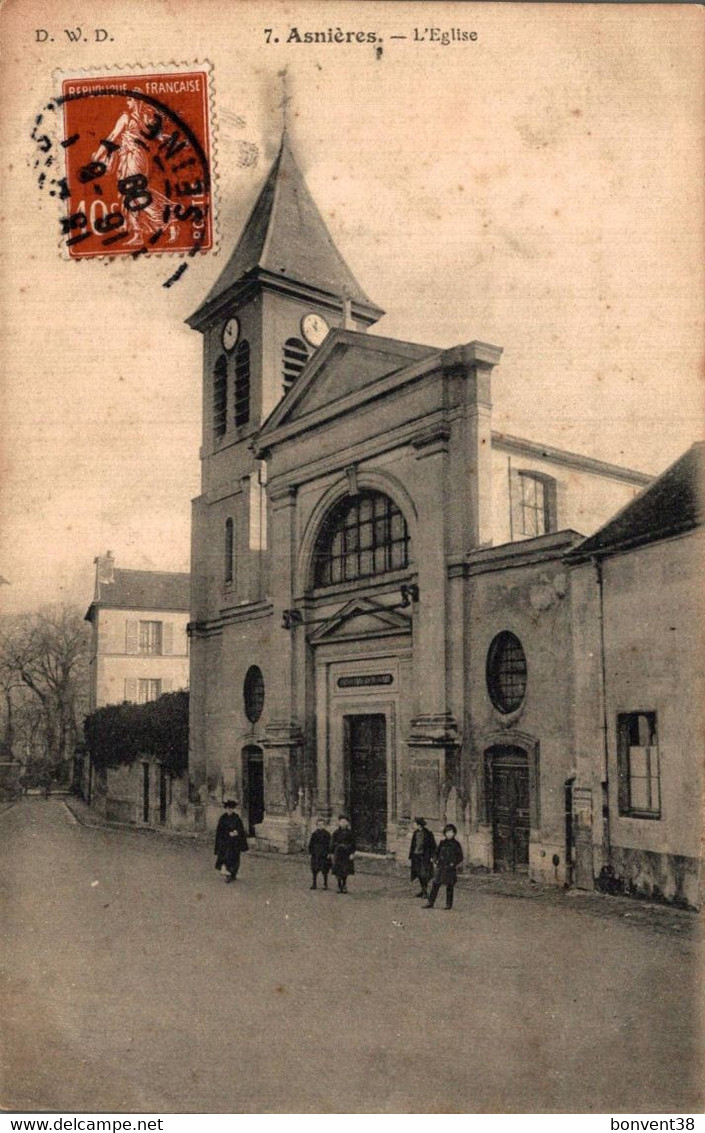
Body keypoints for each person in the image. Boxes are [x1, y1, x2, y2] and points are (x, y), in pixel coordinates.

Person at [424, 823, 463, 910]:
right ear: (445, 833)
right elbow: (436, 853)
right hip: (441, 867)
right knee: (435, 884)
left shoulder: (456, 844)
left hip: (450, 868)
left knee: (449, 886)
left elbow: (460, 857)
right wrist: (435, 860)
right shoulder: (442, 843)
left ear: (454, 833)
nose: (449, 834)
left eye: (451, 832)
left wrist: (454, 863)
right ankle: (430, 902)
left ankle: (448, 904)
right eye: (447, 832)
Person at [214, 799, 249, 883]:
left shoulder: (236, 818)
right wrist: (227, 834)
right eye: (228, 808)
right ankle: (228, 875)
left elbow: (240, 829)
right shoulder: (222, 818)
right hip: (225, 843)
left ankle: (233, 874)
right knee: (226, 858)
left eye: (231, 808)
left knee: (235, 858)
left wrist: (236, 832)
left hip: (235, 843)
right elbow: (220, 831)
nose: (230, 810)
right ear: (226, 809)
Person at [408, 817, 437, 899]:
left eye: (415, 823)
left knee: (424, 874)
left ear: (419, 825)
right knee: (418, 874)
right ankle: (423, 891)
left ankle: (425, 891)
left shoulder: (428, 833)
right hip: (416, 856)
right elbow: (413, 845)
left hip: (425, 857)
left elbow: (433, 846)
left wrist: (432, 857)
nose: (413, 825)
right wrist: (411, 855)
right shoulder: (415, 833)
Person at [330, 815, 356, 894]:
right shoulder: (336, 833)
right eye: (341, 821)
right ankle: (339, 885)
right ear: (339, 823)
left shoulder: (350, 833)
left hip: (346, 853)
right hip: (338, 853)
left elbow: (353, 843)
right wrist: (331, 853)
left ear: (347, 823)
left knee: (345, 870)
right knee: (338, 870)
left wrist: (352, 853)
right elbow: (332, 843)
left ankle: (344, 884)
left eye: (345, 821)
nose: (343, 823)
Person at [308, 818, 332, 890]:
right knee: (314, 869)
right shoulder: (314, 834)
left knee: (325, 869)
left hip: (324, 853)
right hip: (316, 854)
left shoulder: (327, 834)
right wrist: (310, 853)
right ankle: (314, 884)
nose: (321, 826)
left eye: (322, 825)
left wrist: (329, 853)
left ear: (325, 825)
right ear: (317, 826)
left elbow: (330, 844)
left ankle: (325, 884)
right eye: (319, 825)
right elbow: (311, 844)